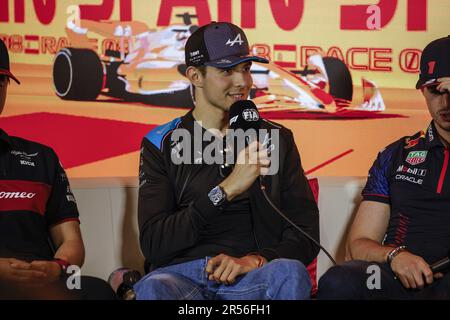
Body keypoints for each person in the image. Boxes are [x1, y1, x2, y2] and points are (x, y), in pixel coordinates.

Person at [134, 22, 320, 300]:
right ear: (195, 76)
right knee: (153, 287)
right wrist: (226, 189)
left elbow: (306, 233)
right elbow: (154, 244)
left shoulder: (276, 138)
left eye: (245, 69)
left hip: (251, 275)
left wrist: (256, 260)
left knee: (290, 273)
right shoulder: (161, 142)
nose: (242, 82)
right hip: (183, 278)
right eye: (226, 71)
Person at [317, 36, 450, 300]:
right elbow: (358, 245)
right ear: (422, 90)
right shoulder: (396, 154)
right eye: (436, 90)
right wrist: (395, 256)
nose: (445, 103)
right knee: (338, 281)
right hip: (399, 277)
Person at [0, 39, 115, 300]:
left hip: (40, 282)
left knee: (98, 291)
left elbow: (72, 242)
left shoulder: (41, 157)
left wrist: (57, 268)